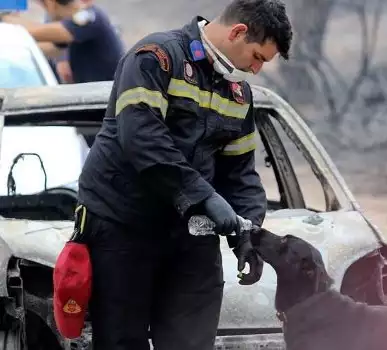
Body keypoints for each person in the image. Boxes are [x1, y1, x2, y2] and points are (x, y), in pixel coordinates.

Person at [72, 0, 292, 349]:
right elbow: (142, 137)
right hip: (122, 228)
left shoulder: (238, 95)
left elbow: (240, 174)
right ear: (238, 32)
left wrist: (247, 233)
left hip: (191, 237)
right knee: (120, 342)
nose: (255, 70)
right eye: (257, 57)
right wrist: (203, 196)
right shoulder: (155, 58)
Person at [0, 0, 124, 83]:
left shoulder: (90, 17)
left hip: (105, 102)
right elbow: (46, 49)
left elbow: (33, 31)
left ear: (51, 3)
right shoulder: (73, 27)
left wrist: (4, 18)